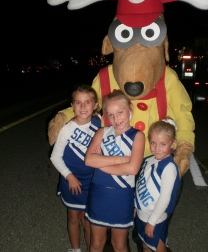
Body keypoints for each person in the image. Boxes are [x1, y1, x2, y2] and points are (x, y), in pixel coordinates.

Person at [84, 90, 145, 252]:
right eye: (110, 115)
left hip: (122, 196)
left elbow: (133, 168)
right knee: (96, 243)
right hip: (99, 194)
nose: (115, 119)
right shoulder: (102, 132)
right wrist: (122, 160)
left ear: (130, 109)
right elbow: (89, 160)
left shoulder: (138, 136)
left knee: (120, 245)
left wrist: (101, 163)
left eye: (120, 113)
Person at [50, 84, 101, 252]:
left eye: (87, 102)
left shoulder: (100, 123)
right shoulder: (66, 130)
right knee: (73, 217)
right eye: (78, 102)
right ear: (72, 106)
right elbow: (55, 157)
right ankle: (75, 249)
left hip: (92, 181)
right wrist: (69, 176)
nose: (83, 106)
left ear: (95, 105)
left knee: (87, 221)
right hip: (71, 180)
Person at [135, 118, 180, 252]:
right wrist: (136, 206)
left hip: (155, 218)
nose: (157, 148)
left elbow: (165, 198)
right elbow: (140, 184)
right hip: (142, 214)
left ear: (173, 144)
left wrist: (152, 221)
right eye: (153, 143)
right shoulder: (149, 160)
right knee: (146, 245)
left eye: (163, 144)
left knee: (158, 247)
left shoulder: (169, 167)